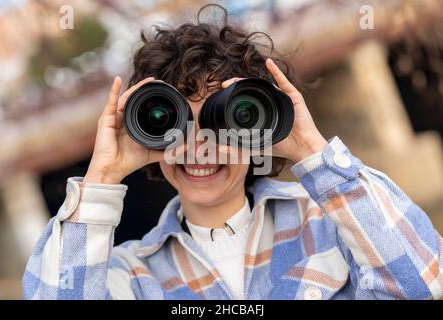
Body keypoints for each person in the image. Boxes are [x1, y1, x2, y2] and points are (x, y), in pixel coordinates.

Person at [23, 5, 442, 300]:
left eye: (223, 118)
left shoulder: (331, 225)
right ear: (148, 135)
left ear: (257, 126)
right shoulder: (130, 275)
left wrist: (312, 151)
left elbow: (423, 285)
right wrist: (102, 179)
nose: (198, 144)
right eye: (172, 122)